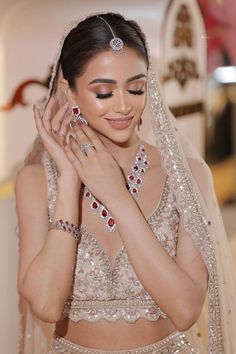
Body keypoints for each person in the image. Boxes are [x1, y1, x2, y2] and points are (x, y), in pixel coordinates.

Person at [15, 13, 236, 354]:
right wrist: (71, 181)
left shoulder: (187, 174)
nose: (123, 106)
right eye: (103, 92)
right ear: (68, 92)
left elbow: (185, 310)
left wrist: (116, 196)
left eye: (136, 88)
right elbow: (45, 305)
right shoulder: (37, 180)